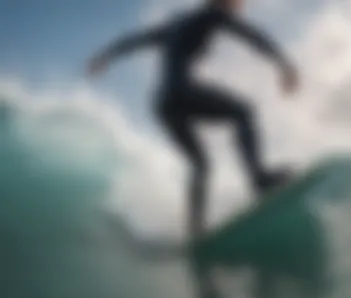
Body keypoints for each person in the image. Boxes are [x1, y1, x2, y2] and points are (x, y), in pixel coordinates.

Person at [87, 0, 300, 239]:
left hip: (163, 104)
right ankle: (259, 178)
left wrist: (104, 56)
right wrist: (284, 63)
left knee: (200, 165)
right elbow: (252, 36)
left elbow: (134, 40)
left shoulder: (174, 25)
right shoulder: (212, 14)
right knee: (243, 112)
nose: (241, 6)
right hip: (182, 91)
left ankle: (195, 229)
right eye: (238, 2)